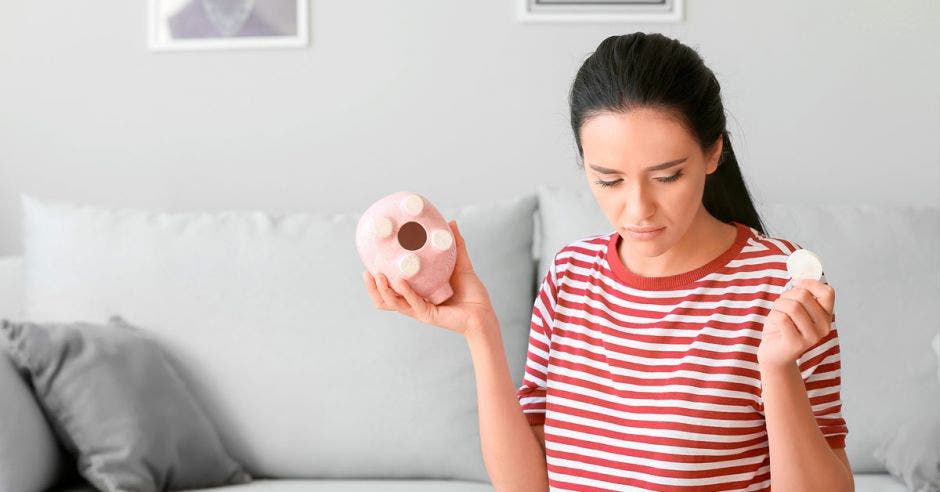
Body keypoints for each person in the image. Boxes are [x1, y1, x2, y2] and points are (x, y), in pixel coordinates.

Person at [363, 32, 853, 492]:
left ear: (713, 152)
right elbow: (529, 484)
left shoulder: (779, 282)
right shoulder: (572, 275)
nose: (637, 210)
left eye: (667, 176)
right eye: (609, 180)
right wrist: (480, 330)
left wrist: (779, 369)